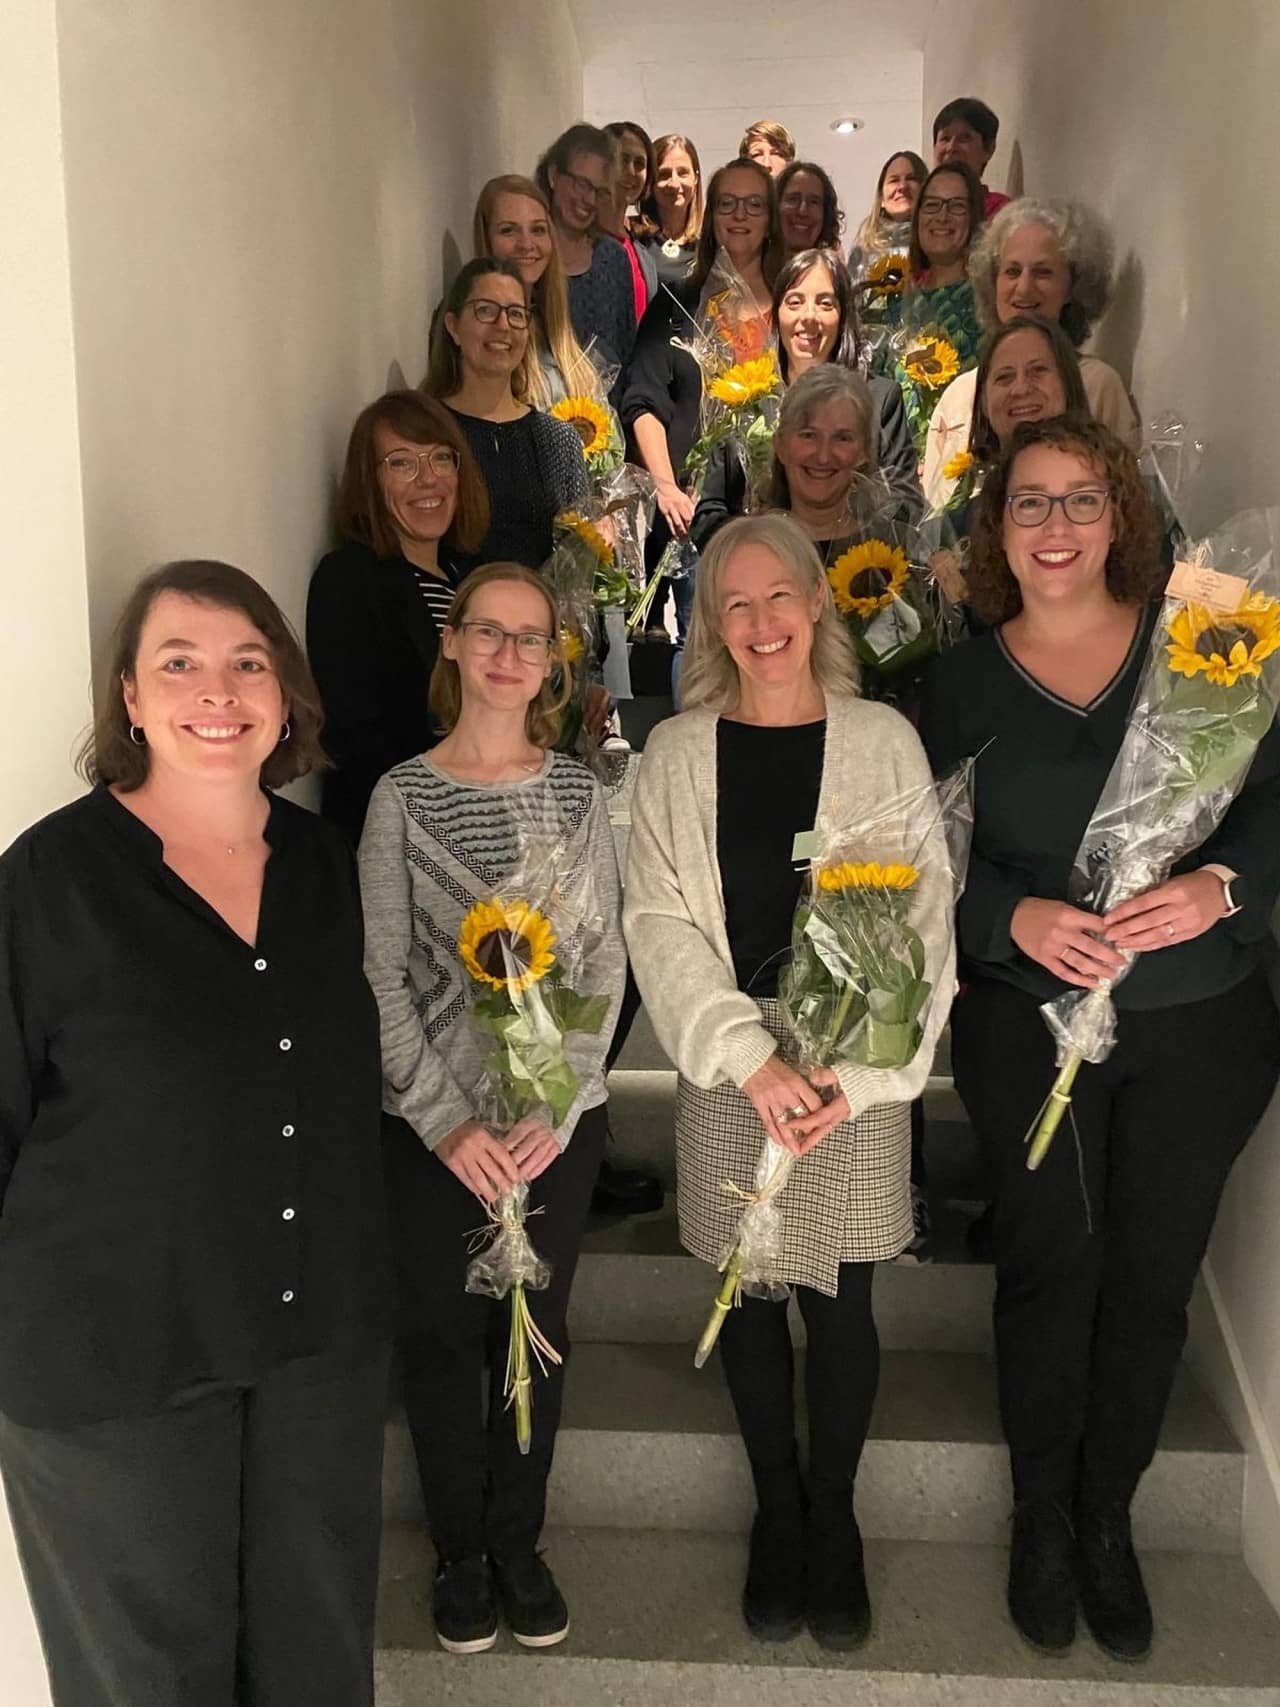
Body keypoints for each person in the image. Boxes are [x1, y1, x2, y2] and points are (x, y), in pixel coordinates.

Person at [919, 416, 1280, 1662]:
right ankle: (1039, 1518)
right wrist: (1008, 914)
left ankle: (1105, 1516)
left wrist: (1220, 885)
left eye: (1081, 500)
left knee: (1146, 1279)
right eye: (1030, 504)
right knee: (1047, 1271)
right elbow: (908, 866)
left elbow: (1275, 796)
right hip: (1028, 1027)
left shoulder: (1207, 649)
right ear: (995, 528)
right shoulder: (953, 686)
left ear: (1120, 514)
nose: (1057, 526)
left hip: (1198, 1026)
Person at [0, 560, 391, 1707]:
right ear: (129, 696)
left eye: (246, 662)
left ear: (285, 696)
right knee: (148, 1684)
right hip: (114, 1359)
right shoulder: (49, 882)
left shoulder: (323, 867)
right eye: (178, 662)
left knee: (317, 1668)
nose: (215, 691)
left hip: (312, 1349)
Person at [624, 512, 954, 1648]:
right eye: (735, 604)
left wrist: (862, 1081)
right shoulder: (675, 753)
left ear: (816, 604)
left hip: (852, 1063)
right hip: (729, 1059)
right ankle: (776, 1507)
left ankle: (835, 1515)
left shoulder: (883, 741)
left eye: (780, 597)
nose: (761, 623)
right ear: (712, 624)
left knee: (842, 1300)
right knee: (750, 1295)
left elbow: (923, 917)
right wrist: (746, 1054)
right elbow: (655, 916)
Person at [360, 562, 625, 1657]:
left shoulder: (579, 795)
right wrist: (441, 1119)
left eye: (531, 638)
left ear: (552, 662)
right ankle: (459, 1550)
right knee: (438, 1335)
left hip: (551, 1124)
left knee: (536, 1329)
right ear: (457, 646)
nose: (510, 655)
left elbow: (602, 965)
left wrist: (551, 1110)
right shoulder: (399, 798)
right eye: (489, 632)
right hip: (432, 1128)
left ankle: (520, 1543)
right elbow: (379, 974)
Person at [307, 390, 489, 844]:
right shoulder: (350, 577)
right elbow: (357, 739)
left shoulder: (466, 578)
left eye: (440, 459)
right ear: (370, 483)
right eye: (402, 463)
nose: (428, 480)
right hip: (401, 841)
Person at [622, 156, 780, 637]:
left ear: (771, 217)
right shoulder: (676, 301)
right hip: (694, 518)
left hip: (777, 515)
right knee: (702, 655)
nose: (739, 215)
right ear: (711, 216)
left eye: (754, 204)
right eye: (727, 203)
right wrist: (667, 488)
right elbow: (642, 400)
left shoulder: (794, 300)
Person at [689, 249, 922, 548]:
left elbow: (905, 503)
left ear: (842, 316)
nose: (808, 317)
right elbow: (709, 514)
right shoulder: (744, 397)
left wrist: (848, 535)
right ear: (777, 315)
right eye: (795, 302)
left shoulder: (879, 398)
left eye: (825, 303)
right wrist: (761, 539)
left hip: (855, 572)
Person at [923, 198, 1140, 506]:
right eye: (1012, 271)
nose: (1024, 288)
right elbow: (935, 519)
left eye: (1042, 273)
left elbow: (1125, 503)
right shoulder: (959, 394)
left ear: (1072, 287)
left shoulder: (1099, 385)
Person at [422, 257, 588, 571]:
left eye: (515, 314)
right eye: (486, 310)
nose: (503, 326)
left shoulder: (560, 441)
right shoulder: (426, 432)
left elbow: (575, 564)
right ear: (453, 327)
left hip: (535, 615)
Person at [472, 175, 599, 411]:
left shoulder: (551, 317)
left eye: (538, 230)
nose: (526, 244)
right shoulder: (476, 328)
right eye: (508, 230)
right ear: (486, 239)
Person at [887, 161, 985, 460]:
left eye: (956, 206)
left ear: (973, 218)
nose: (942, 216)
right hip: (898, 469)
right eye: (931, 205)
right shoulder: (892, 304)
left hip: (963, 463)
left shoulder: (988, 302)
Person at [536, 123, 636, 381]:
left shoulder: (612, 258)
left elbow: (626, 354)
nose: (589, 200)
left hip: (603, 416)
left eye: (599, 191)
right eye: (582, 184)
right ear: (553, 175)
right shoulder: (530, 255)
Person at [604, 120, 659, 318]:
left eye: (639, 164)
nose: (631, 172)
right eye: (622, 159)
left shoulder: (644, 256)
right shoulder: (579, 243)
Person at [848, 149, 927, 282]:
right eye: (894, 180)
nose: (902, 186)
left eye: (911, 178)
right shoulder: (862, 250)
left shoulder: (937, 242)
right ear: (881, 199)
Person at [640, 133, 703, 291]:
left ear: (695, 178)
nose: (674, 184)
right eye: (664, 175)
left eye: (682, 173)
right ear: (650, 182)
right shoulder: (634, 240)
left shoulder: (708, 244)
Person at [932, 96, 1009, 219]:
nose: (951, 147)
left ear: (989, 149)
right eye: (945, 139)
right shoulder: (921, 208)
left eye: (964, 138)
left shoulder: (1001, 212)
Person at [777, 160, 842, 257]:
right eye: (793, 199)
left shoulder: (833, 270)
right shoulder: (750, 270)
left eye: (813, 202)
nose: (802, 211)